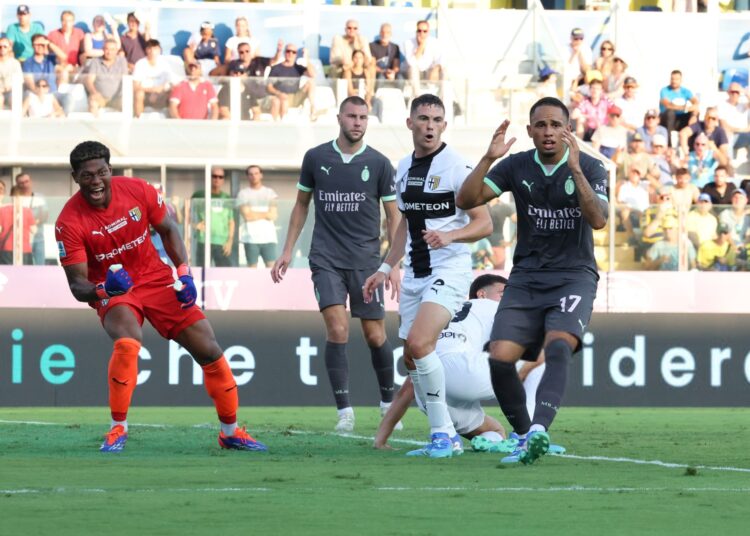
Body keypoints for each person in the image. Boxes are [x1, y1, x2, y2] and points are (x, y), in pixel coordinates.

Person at [55, 141, 265, 452]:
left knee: (209, 348)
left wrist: (183, 272)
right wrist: (103, 289)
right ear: (76, 177)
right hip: (115, 289)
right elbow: (76, 285)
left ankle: (230, 432)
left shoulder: (139, 190)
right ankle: (117, 430)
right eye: (87, 176)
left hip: (156, 279)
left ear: (110, 170)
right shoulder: (69, 222)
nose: (96, 181)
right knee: (128, 338)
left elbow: (169, 229)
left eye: (102, 172)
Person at [455, 96, 609, 465]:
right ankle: (524, 437)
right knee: (500, 357)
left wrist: (575, 170)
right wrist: (489, 158)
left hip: (574, 276)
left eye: (556, 125)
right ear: (530, 131)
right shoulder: (516, 166)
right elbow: (466, 199)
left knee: (558, 347)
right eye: (541, 125)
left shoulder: (590, 166)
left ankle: (539, 428)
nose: (548, 132)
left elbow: (599, 219)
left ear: (568, 130)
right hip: (526, 277)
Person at [363, 93, 492, 459]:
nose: (430, 126)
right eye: (423, 119)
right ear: (410, 124)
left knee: (419, 345)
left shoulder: (456, 167)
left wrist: (450, 235)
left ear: (444, 126)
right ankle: (447, 433)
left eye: (437, 120)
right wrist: (386, 267)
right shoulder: (402, 167)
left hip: (449, 269)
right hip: (416, 274)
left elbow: (484, 223)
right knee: (411, 359)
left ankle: (443, 435)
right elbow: (404, 223)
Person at [271, 96, 400, 432]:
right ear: (339, 117)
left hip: (367, 262)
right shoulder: (316, 158)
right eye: (352, 116)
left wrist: (393, 262)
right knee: (338, 329)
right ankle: (345, 412)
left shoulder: (380, 163)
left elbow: (393, 216)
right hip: (326, 258)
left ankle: (388, 403)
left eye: (363, 117)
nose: (357, 122)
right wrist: (287, 250)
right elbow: (301, 205)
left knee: (375, 335)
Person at [191, 166, 234, 267]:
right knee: (201, 270)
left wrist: (230, 241)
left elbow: (231, 221)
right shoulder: (199, 195)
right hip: (204, 240)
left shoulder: (226, 198)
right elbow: (186, 214)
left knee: (225, 272)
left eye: (220, 177)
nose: (217, 179)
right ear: (209, 177)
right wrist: (195, 225)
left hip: (222, 242)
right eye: (214, 176)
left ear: (223, 179)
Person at [236, 165, 278, 267]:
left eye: (256, 173)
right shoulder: (243, 194)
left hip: (269, 237)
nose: (254, 176)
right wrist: (265, 213)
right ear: (247, 176)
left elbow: (273, 215)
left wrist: (253, 212)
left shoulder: (270, 192)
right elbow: (247, 216)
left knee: (271, 269)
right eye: (250, 174)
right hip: (250, 238)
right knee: (252, 270)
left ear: (261, 175)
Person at [266, 43, 315, 121]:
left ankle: (313, 110)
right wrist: (279, 94)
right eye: (288, 51)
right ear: (285, 52)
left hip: (294, 97)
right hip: (280, 97)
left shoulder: (298, 68)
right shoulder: (276, 68)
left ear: (296, 54)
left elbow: (312, 75)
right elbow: (269, 87)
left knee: (310, 83)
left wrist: (307, 58)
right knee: (279, 101)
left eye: (293, 52)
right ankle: (279, 125)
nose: (290, 54)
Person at [82, 38, 127, 116]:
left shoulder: (122, 61)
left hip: (116, 99)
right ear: (103, 49)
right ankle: (94, 126)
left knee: (127, 102)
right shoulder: (95, 61)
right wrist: (95, 93)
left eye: (112, 49)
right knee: (93, 102)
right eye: (107, 49)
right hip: (100, 98)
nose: (109, 52)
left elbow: (126, 80)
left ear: (116, 50)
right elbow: (89, 81)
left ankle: (125, 127)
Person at [133, 39, 174, 118]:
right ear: (146, 50)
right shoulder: (140, 64)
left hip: (162, 94)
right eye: (149, 49)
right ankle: (139, 119)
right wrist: (152, 90)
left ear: (159, 50)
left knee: (174, 93)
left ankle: (173, 121)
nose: (152, 51)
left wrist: (158, 92)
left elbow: (170, 82)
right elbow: (135, 86)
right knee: (139, 94)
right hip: (145, 94)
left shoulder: (165, 64)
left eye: (155, 49)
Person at [14, 172, 47, 265]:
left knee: (40, 266)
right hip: (22, 240)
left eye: (26, 181)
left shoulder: (39, 197)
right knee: (24, 266)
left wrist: (30, 222)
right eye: (21, 183)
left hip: (38, 238)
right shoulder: (16, 199)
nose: (25, 184)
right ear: (17, 184)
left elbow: (45, 215)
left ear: (30, 182)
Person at [402, 20, 443, 95]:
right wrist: (422, 46)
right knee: (413, 69)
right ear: (416, 31)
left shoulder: (435, 42)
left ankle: (444, 102)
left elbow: (440, 59)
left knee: (444, 71)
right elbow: (411, 63)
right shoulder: (408, 43)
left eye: (425, 31)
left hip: (429, 73)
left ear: (428, 32)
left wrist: (436, 68)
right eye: (419, 31)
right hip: (413, 73)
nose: (422, 33)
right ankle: (417, 98)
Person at [659, 69, 699, 137]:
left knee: (695, 113)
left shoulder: (686, 91)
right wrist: (684, 108)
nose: (674, 81)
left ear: (681, 80)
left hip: (681, 118)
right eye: (672, 79)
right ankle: (669, 143)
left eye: (676, 79)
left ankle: (693, 141)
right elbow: (668, 105)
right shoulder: (664, 90)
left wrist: (693, 114)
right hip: (667, 119)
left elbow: (696, 103)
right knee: (670, 113)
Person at [344, 49, 381, 122]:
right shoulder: (348, 72)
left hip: (364, 99)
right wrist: (359, 92)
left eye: (360, 58)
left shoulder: (366, 72)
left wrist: (367, 100)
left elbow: (369, 89)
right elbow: (350, 90)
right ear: (352, 59)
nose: (358, 60)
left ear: (363, 59)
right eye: (356, 57)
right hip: (352, 99)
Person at [0, 185, 34, 265]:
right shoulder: (27, 211)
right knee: (25, 275)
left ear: (11, 196)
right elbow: (34, 230)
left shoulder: (2, 210)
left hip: (6, 248)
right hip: (24, 248)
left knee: (7, 274)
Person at [47, 10, 85, 76]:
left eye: (69, 21)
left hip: (75, 67)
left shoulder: (79, 33)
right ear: (61, 21)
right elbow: (49, 54)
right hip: (59, 67)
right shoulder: (53, 34)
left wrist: (79, 66)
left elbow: (83, 52)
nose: (67, 24)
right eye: (64, 20)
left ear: (73, 22)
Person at [718, 82, 750, 159]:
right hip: (730, 135)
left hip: (744, 136)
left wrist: (745, 92)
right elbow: (724, 125)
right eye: (732, 92)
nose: (735, 94)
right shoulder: (722, 105)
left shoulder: (743, 104)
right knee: (727, 135)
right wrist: (741, 129)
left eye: (737, 92)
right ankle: (729, 166)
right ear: (728, 93)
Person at [0, 37, 22, 110]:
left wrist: (9, 87)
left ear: (9, 48)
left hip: (11, 91)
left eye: (5, 47)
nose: (2, 48)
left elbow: (19, 80)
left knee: (14, 98)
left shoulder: (15, 63)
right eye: (0, 46)